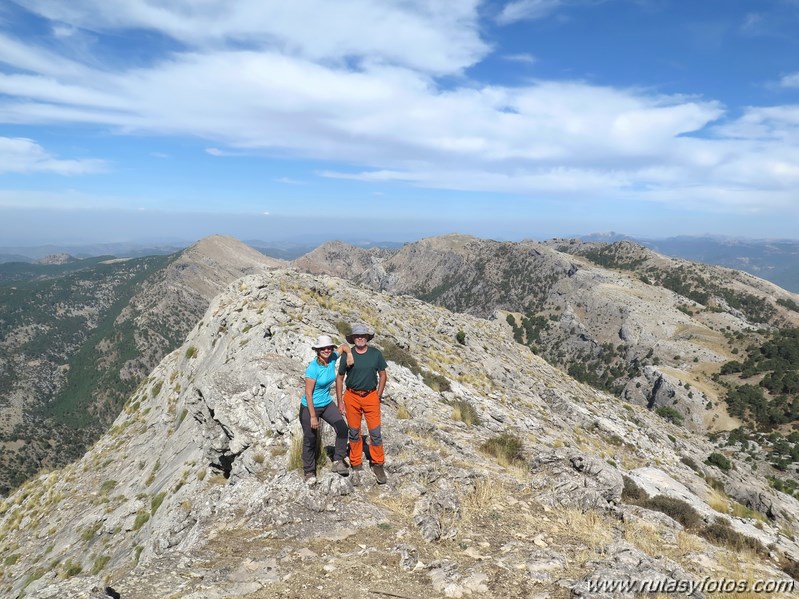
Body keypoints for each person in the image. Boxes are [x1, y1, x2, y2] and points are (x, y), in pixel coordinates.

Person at [336, 324, 389, 484]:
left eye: (363, 336)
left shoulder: (375, 354)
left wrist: (378, 395)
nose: (360, 338)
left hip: (371, 396)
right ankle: (356, 462)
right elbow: (339, 378)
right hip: (351, 397)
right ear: (353, 338)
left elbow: (383, 374)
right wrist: (340, 401)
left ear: (367, 338)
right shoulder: (348, 354)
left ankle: (378, 463)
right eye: (357, 336)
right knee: (354, 432)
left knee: (375, 433)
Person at [300, 335, 354, 483]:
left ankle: (338, 460)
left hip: (326, 403)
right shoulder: (313, 368)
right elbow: (308, 394)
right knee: (310, 438)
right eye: (323, 348)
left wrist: (349, 354)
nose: (326, 350)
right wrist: (312, 416)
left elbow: (343, 346)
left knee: (342, 428)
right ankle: (309, 472)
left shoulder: (332, 358)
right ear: (317, 350)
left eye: (328, 348)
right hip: (310, 407)